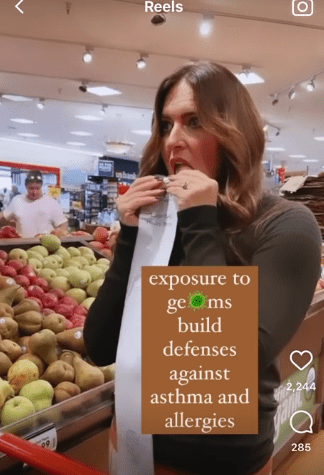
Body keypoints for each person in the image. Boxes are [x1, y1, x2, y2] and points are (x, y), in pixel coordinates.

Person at [84, 62, 321, 475]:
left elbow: (223, 357)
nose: (173, 140)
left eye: (193, 121)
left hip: (220, 462)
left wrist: (200, 222)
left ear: (235, 131)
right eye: (165, 124)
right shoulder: (160, 221)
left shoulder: (285, 225)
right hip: (132, 445)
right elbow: (101, 344)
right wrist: (128, 238)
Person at [0, 170, 68, 238]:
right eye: (31, 188)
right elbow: (4, 215)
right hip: (22, 245)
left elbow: (63, 225)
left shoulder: (52, 203)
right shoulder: (17, 200)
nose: (34, 192)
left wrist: (58, 232)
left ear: (41, 187)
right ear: (26, 187)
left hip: (45, 246)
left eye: (37, 188)